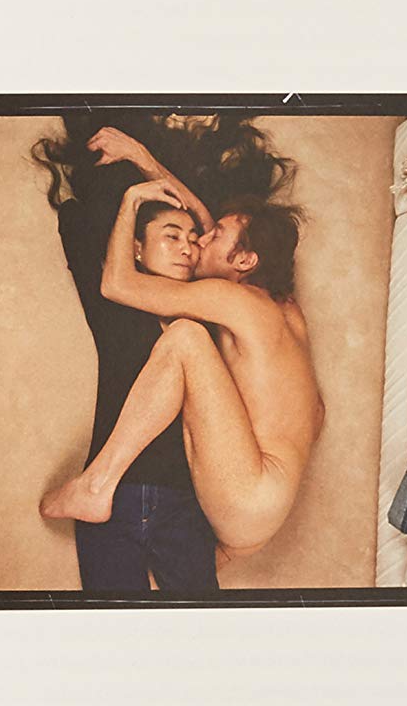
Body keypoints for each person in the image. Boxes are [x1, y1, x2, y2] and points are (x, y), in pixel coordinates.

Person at [39, 128, 323, 560]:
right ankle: (232, 545)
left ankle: (97, 485)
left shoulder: (231, 298)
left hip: (246, 496)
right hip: (267, 512)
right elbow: (317, 413)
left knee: (187, 339)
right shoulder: (287, 310)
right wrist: (142, 157)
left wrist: (132, 200)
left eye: (215, 236)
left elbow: (117, 284)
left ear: (245, 261)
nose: (200, 238)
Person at [39, 125, 225, 594]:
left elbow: (208, 228)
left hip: (185, 503)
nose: (187, 247)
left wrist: (144, 159)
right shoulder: (112, 296)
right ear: (136, 248)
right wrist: (131, 200)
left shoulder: (205, 304)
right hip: (112, 501)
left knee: (204, 627)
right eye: (170, 236)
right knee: (113, 628)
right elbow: (73, 219)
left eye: (190, 240)